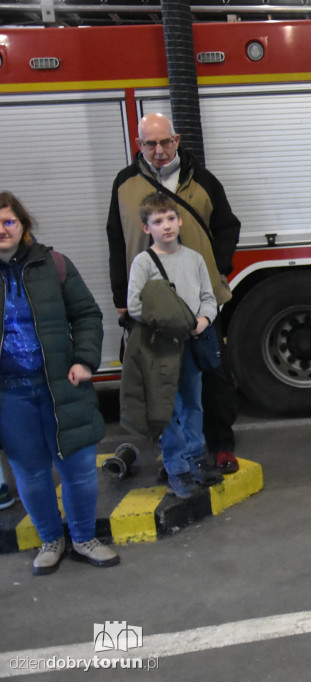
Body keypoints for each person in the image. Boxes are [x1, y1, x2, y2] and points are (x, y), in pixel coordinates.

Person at [106, 112, 241, 476]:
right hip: (155, 312)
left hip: (202, 304)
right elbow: (116, 241)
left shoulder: (203, 180)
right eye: (150, 144)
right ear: (140, 145)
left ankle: (221, 446)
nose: (159, 150)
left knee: (212, 378)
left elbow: (228, 225)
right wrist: (123, 299)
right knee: (164, 386)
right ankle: (176, 456)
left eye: (166, 142)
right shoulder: (124, 184)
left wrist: (217, 267)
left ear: (177, 140)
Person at [0, 190, 120, 576]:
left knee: (79, 468)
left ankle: (84, 538)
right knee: (30, 473)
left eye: (8, 221)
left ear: (23, 224)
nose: (2, 230)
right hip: (10, 396)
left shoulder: (53, 264)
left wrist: (86, 360)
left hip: (62, 387)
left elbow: (87, 314)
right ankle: (51, 540)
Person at [125, 193, 219, 499]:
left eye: (170, 219)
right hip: (162, 349)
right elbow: (135, 305)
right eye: (157, 222)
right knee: (168, 408)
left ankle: (196, 459)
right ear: (146, 228)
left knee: (193, 403)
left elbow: (209, 296)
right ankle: (176, 469)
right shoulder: (144, 262)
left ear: (179, 221)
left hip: (191, 344)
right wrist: (167, 322)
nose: (165, 226)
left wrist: (203, 319)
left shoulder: (194, 258)